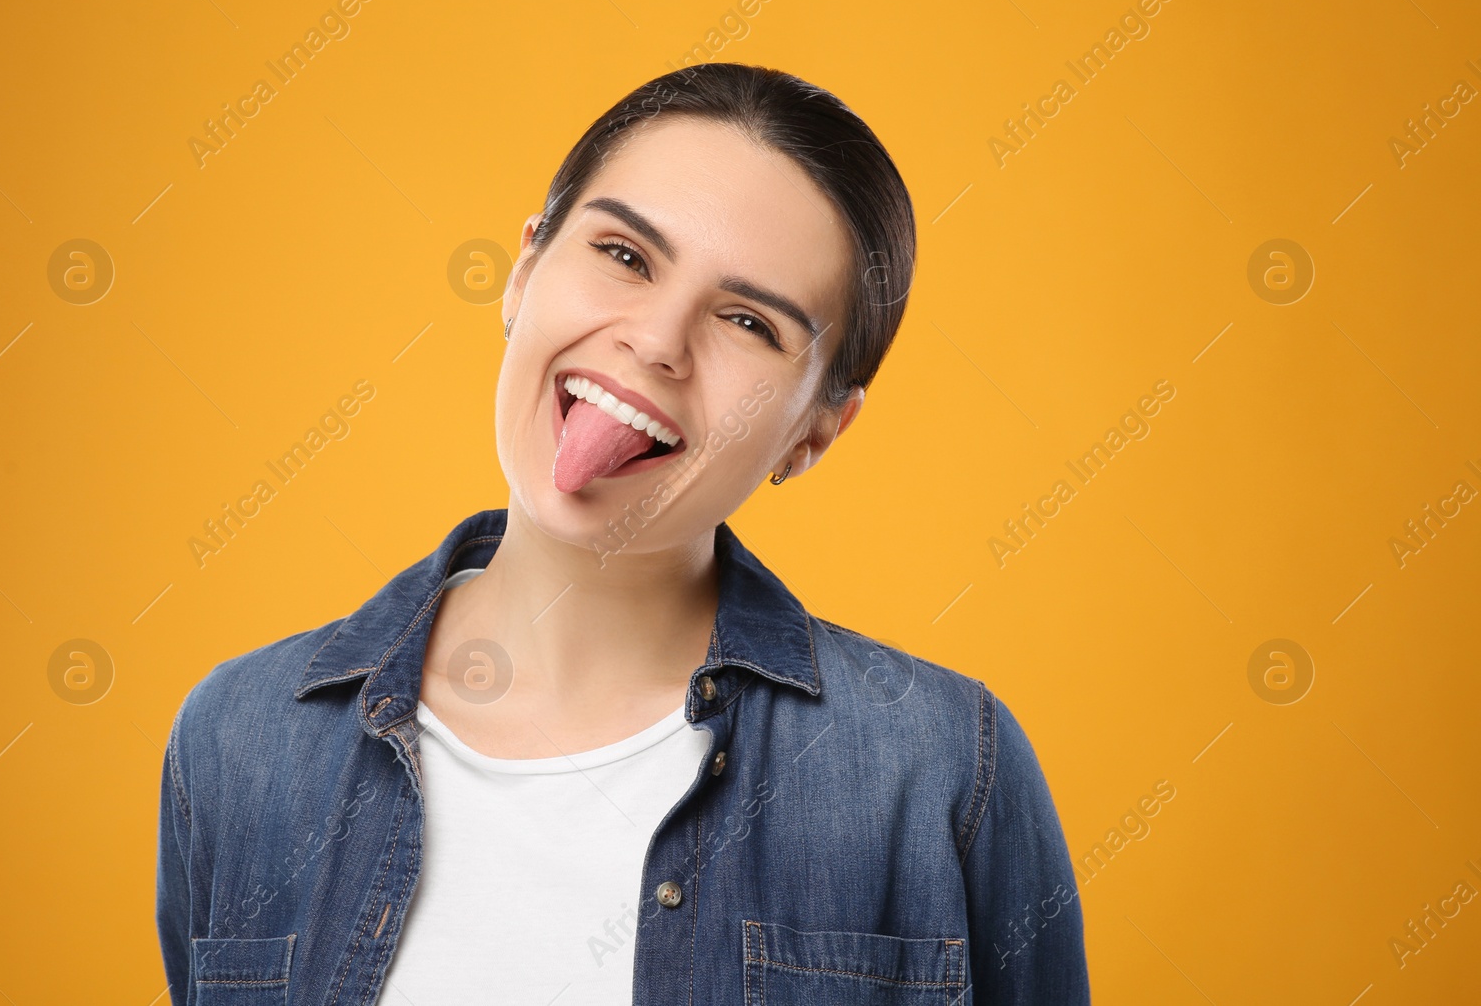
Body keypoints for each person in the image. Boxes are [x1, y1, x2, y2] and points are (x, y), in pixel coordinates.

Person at [156, 61, 1089, 1005]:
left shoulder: (938, 769)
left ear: (815, 431)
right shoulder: (240, 741)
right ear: (524, 270)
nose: (656, 341)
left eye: (747, 320)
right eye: (626, 255)